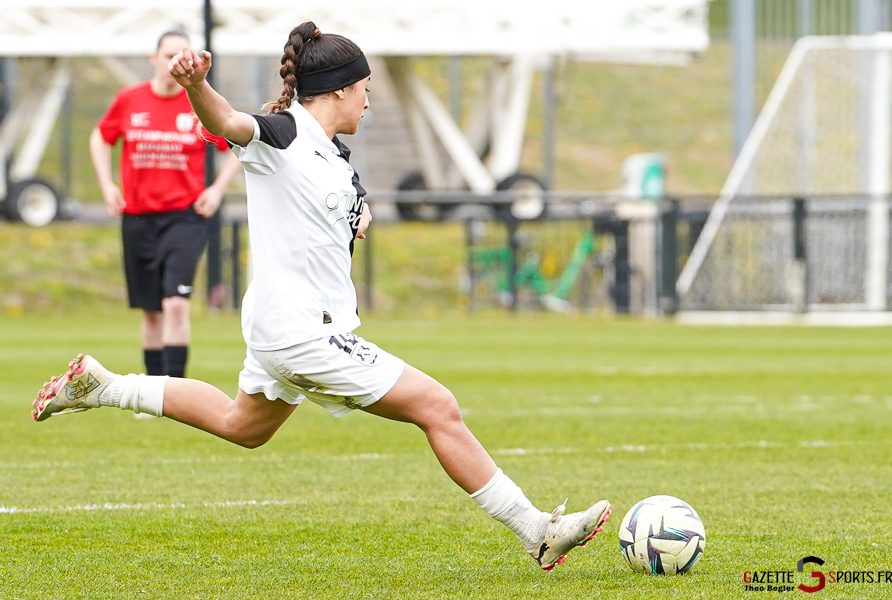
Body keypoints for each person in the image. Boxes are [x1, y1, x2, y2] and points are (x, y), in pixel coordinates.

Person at [33, 22, 610, 571]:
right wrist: (195, 85)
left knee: (244, 426)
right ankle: (537, 530)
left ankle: (105, 385)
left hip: (285, 323)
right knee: (438, 407)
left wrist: (355, 220)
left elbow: (331, 208)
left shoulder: (335, 157)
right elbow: (231, 122)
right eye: (364, 90)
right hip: (301, 329)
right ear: (337, 90)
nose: (368, 102)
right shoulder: (283, 134)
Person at [89, 29, 243, 379]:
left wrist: (217, 189)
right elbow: (100, 136)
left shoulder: (197, 102)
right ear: (154, 58)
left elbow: (237, 142)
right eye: (168, 54)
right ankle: (152, 394)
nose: (174, 61)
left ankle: (176, 394)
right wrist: (106, 184)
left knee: (176, 304)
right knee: (152, 311)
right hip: (139, 217)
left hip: (185, 218)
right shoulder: (130, 99)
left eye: (182, 54)